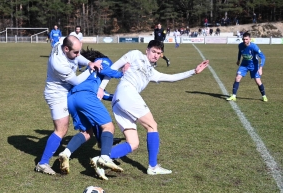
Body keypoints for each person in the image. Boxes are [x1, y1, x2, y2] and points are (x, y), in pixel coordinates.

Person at [88, 40, 209, 179]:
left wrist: (193, 71)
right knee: (152, 126)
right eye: (153, 51)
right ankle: (153, 167)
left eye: (159, 53)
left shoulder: (152, 72)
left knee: (133, 143)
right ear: (147, 50)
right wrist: (102, 88)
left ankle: (101, 159)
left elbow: (172, 78)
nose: (156, 55)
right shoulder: (135, 54)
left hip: (119, 101)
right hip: (126, 92)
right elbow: (114, 68)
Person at [34, 36, 103, 175]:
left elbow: (78, 58)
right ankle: (42, 163)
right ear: (66, 49)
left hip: (68, 91)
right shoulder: (58, 63)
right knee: (61, 129)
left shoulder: (62, 43)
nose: (78, 55)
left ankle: (101, 141)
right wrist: (91, 69)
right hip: (57, 94)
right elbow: (77, 81)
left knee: (86, 122)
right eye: (75, 52)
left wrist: (89, 62)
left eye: (79, 51)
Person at [57, 47, 130, 178]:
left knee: (86, 132)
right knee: (108, 126)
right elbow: (104, 68)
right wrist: (122, 74)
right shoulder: (102, 60)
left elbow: (102, 94)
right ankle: (104, 157)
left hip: (72, 98)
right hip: (86, 97)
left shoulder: (88, 72)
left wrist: (118, 98)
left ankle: (66, 153)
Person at [226, 32, 268, 102]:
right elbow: (240, 52)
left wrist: (260, 68)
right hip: (244, 65)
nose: (245, 41)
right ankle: (233, 96)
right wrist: (238, 59)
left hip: (254, 65)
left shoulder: (254, 47)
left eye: (246, 39)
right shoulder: (240, 45)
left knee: (258, 81)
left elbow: (263, 57)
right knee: (237, 77)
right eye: (244, 39)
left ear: (250, 39)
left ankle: (264, 96)